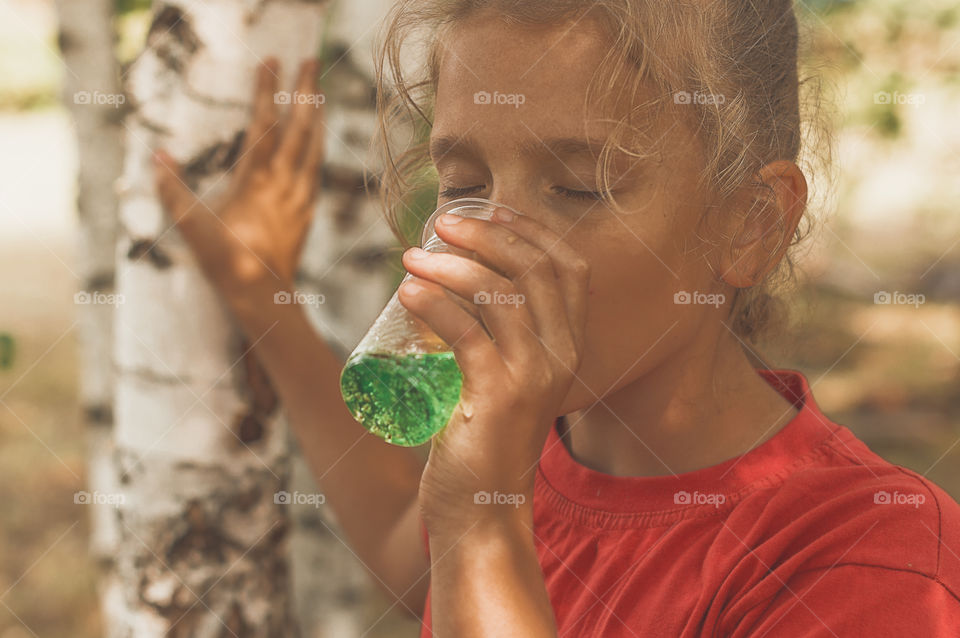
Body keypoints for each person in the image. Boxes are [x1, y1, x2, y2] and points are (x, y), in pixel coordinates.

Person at [154, 1, 960, 635]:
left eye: (579, 189)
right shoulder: (534, 444)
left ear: (748, 222)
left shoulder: (866, 562)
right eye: (465, 183)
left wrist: (480, 518)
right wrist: (265, 299)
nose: (483, 242)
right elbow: (415, 567)